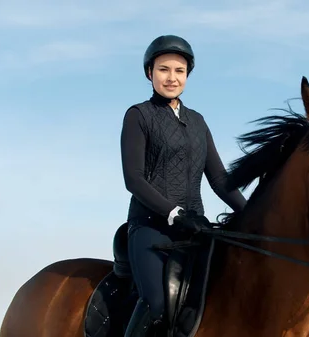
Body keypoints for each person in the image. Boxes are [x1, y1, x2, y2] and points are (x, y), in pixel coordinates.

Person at [120, 35, 247, 337]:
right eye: (164, 69)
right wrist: (174, 213)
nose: (171, 78)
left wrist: (252, 213)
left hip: (196, 230)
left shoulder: (198, 122)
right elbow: (133, 179)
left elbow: (218, 179)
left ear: (187, 75)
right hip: (150, 227)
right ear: (149, 73)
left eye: (179, 70)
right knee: (157, 305)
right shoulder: (138, 115)